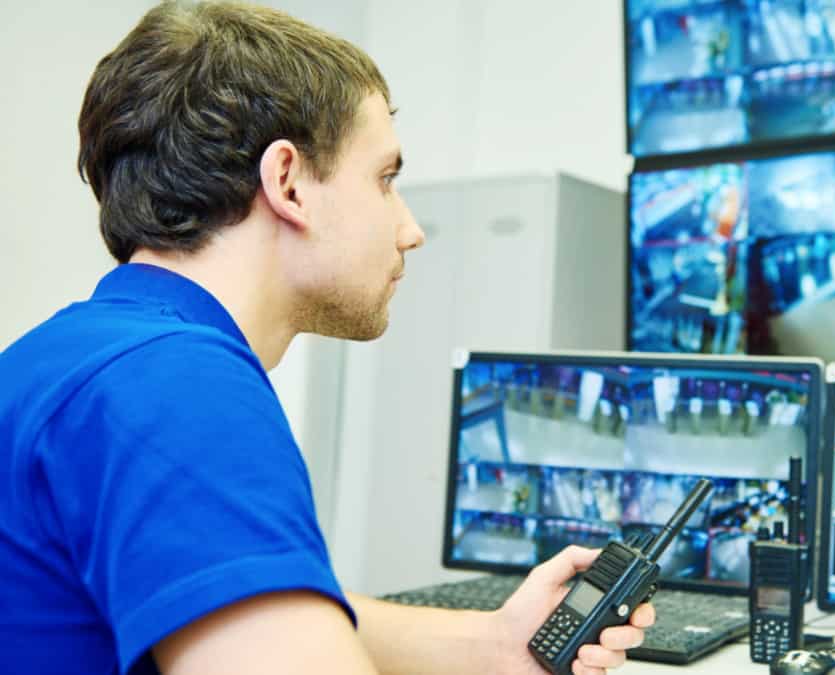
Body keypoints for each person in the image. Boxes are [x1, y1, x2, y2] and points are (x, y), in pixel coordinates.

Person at [0, 2, 652, 674]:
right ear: (288, 183)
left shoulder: (68, 359)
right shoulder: (180, 389)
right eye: (385, 179)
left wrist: (494, 643)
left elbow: (258, 603)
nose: (410, 229)